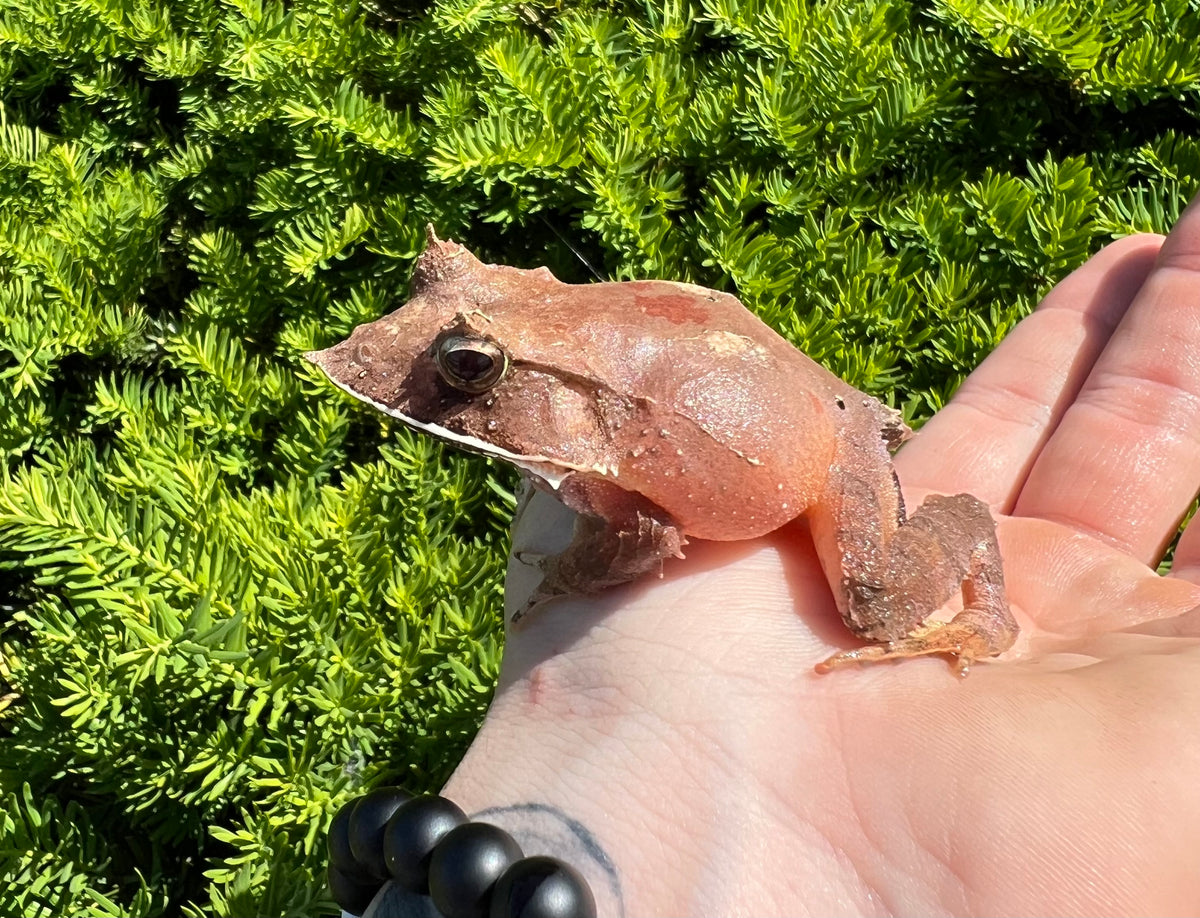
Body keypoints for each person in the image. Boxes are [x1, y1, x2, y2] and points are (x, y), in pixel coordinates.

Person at [438, 195, 1200, 916]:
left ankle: (982, 587)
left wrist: (572, 574)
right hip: (784, 406)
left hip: (823, 455)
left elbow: (653, 537)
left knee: (876, 607)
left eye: (470, 367)